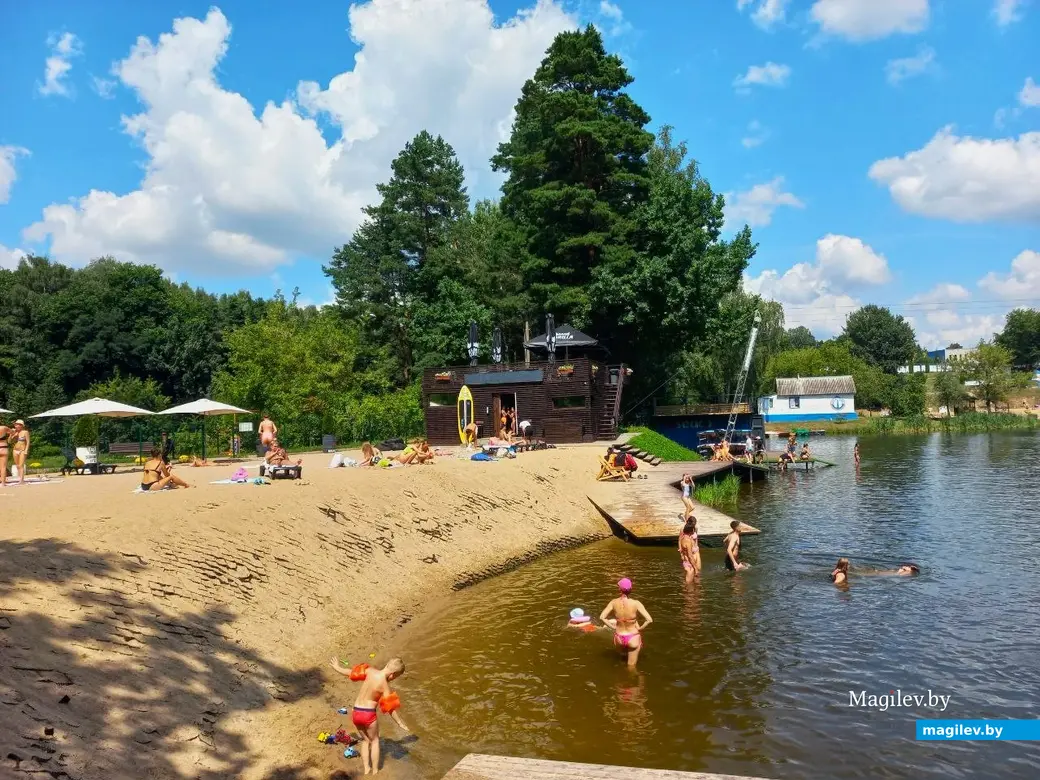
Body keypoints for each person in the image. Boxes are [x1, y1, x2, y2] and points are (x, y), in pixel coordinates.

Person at [330, 657, 409, 775]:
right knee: (375, 740)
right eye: (395, 677)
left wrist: (337, 667)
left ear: (387, 664)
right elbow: (390, 708)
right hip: (368, 714)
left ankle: (367, 768)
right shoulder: (384, 685)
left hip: (356, 712)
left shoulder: (370, 670)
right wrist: (400, 723)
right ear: (392, 675)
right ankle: (375, 771)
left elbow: (351, 673)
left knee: (365, 740)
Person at [599, 578, 652, 668]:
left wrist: (612, 627)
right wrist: (640, 628)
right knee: (631, 667)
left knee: (622, 661)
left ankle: (620, 680)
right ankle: (639, 681)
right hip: (633, 637)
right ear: (631, 589)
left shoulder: (613, 602)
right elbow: (649, 620)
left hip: (619, 637)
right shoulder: (636, 603)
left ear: (619, 589)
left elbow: (602, 617)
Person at [679, 517, 701, 583]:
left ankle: (695, 589)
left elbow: (696, 539)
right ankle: (691, 591)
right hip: (690, 558)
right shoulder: (687, 539)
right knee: (689, 582)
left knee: (697, 572)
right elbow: (690, 555)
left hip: (695, 551)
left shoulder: (687, 537)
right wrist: (681, 553)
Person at [0, 420, 10, 486]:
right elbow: (12, 432)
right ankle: (3, 483)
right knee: (3, 467)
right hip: (3, 447)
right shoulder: (4, 428)